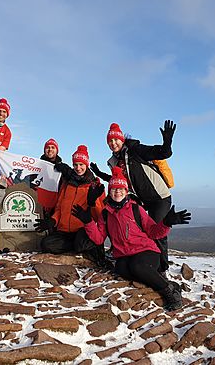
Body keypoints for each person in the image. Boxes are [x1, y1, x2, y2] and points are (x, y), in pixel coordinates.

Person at [73, 166, 191, 311]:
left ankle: (169, 292)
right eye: (114, 189)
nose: (117, 192)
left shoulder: (136, 209)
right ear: (109, 191)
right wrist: (88, 222)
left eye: (121, 189)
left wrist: (166, 223)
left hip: (147, 251)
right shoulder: (105, 214)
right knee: (121, 269)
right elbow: (98, 240)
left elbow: (154, 232)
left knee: (138, 267)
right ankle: (172, 284)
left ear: (126, 191)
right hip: (125, 255)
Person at [90, 121, 176, 271]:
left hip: (159, 197)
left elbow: (163, 153)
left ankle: (162, 267)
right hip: (142, 199)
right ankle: (133, 255)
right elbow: (118, 182)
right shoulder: (115, 161)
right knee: (127, 222)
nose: (113, 143)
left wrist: (167, 141)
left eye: (116, 139)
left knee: (156, 230)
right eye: (110, 141)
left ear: (122, 139)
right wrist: (99, 174)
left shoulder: (135, 150)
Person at [34, 145, 106, 263]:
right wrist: (53, 220)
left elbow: (100, 216)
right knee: (46, 244)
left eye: (81, 164)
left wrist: (93, 202)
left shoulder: (94, 186)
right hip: (65, 232)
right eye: (75, 165)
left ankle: (83, 246)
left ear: (86, 165)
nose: (78, 168)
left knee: (81, 242)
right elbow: (59, 208)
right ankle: (78, 248)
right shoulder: (67, 184)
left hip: (83, 230)